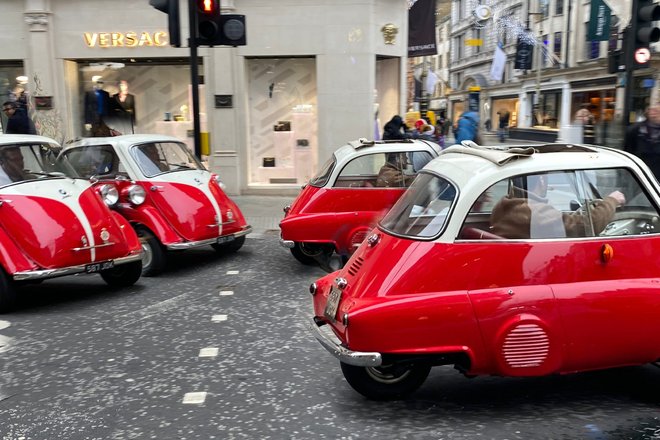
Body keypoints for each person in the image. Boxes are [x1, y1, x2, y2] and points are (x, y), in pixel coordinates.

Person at [490, 174, 625, 239]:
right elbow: (586, 225)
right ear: (542, 181)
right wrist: (612, 201)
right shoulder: (535, 211)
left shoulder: (503, 205)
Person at [624, 104, 660, 178]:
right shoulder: (635, 130)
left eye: (657, 111)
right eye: (653, 110)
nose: (654, 113)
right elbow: (627, 151)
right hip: (639, 174)